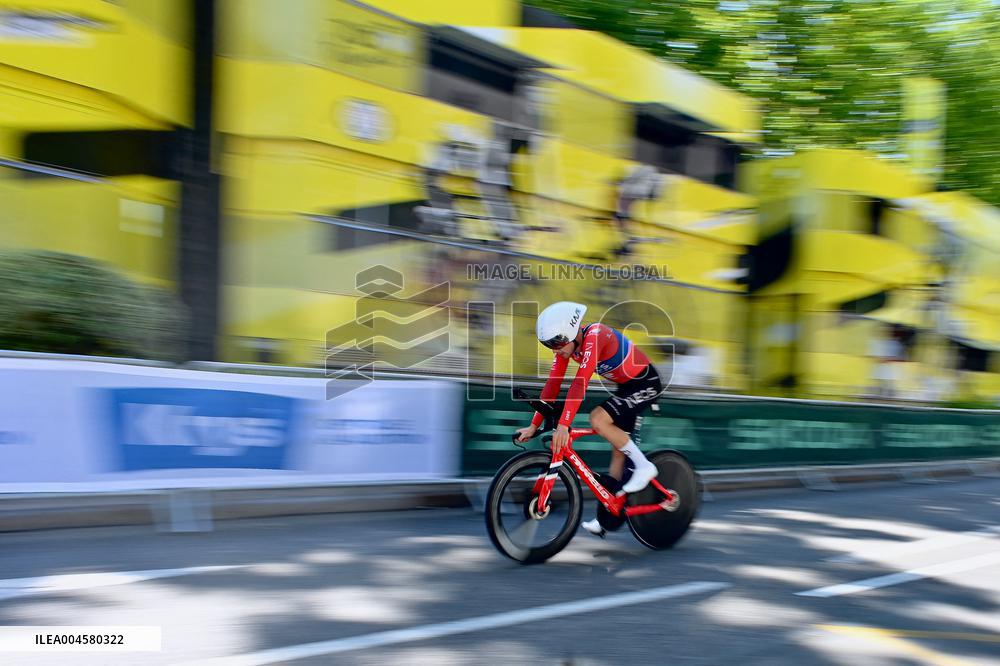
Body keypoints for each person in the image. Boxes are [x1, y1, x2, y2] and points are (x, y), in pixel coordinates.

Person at [514, 301, 663, 537]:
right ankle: (608, 516)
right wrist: (534, 424)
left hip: (646, 382)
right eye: (549, 345)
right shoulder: (568, 348)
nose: (555, 350)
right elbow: (552, 385)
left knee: (598, 419)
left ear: (572, 333)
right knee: (618, 453)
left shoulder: (595, 335)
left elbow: (580, 383)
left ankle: (645, 467)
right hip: (626, 387)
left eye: (556, 343)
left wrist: (563, 426)